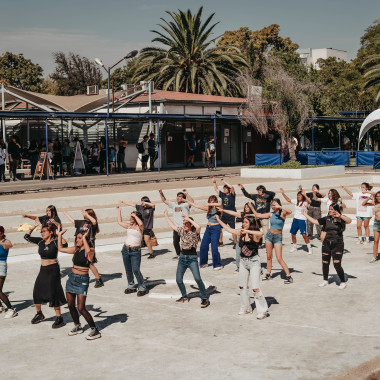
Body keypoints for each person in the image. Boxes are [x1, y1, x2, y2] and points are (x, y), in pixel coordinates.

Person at [215, 214, 269, 319]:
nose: (243, 224)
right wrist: (218, 219)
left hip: (254, 262)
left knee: (255, 287)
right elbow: (228, 229)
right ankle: (246, 308)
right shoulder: (241, 232)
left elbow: (261, 233)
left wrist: (247, 231)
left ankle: (263, 311)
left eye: (245, 222)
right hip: (243, 262)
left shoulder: (254, 234)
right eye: (243, 222)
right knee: (242, 286)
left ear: (251, 224)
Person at [57, 228, 101, 340]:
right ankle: (77, 326)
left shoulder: (90, 250)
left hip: (82, 280)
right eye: (77, 238)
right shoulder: (75, 250)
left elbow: (88, 253)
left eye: (80, 238)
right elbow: (60, 248)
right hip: (71, 278)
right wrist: (59, 235)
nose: (77, 240)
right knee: (71, 305)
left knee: (81, 308)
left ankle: (94, 329)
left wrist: (85, 238)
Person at [24, 221, 67, 328]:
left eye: (44, 231)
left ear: (50, 232)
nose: (42, 234)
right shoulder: (40, 242)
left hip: (53, 270)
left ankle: (59, 318)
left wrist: (58, 234)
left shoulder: (55, 242)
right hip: (43, 269)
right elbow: (26, 237)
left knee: (54, 293)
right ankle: (39, 314)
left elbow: (65, 244)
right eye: (41, 232)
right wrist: (33, 227)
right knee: (37, 292)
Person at [164, 211, 210, 308]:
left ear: (190, 225)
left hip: (192, 258)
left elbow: (198, 227)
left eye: (186, 224)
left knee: (197, 278)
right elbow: (172, 226)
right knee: (178, 279)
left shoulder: (195, 233)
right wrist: (166, 216)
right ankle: (184, 296)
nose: (184, 225)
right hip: (182, 258)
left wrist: (188, 219)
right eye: (184, 223)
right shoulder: (182, 231)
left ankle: (205, 297)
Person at [302, 204, 352, 289]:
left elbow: (349, 221)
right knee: (325, 262)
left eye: (332, 209)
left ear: (336, 210)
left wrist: (340, 216)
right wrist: (305, 214)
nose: (330, 211)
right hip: (327, 243)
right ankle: (325, 280)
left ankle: (343, 282)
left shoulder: (341, 218)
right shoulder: (326, 218)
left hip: (338, 244)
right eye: (330, 209)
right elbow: (315, 222)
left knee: (337, 263)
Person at [251, 199, 293, 283]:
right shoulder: (271, 214)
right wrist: (251, 206)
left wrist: (280, 207)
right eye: (272, 205)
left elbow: (290, 211)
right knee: (269, 256)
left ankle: (289, 276)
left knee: (279, 258)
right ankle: (268, 274)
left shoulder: (282, 214)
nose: (273, 207)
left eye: (274, 205)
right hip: (269, 236)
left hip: (278, 237)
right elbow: (257, 215)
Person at [63, 209, 103, 288]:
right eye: (84, 214)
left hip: (88, 245)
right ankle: (82, 276)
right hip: (79, 245)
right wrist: (66, 214)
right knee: (79, 260)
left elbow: (94, 221)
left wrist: (87, 215)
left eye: (86, 214)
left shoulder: (92, 224)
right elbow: (73, 222)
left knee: (89, 264)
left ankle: (99, 279)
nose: (84, 215)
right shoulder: (81, 222)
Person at [187, 196, 223, 270]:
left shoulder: (219, 209)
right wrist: (185, 199)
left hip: (216, 228)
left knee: (214, 247)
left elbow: (220, 204)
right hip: (208, 228)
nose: (211, 202)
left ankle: (217, 264)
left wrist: (209, 204)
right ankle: (203, 262)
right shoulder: (208, 209)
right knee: (203, 246)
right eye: (210, 200)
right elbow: (197, 206)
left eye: (212, 200)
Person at [117, 207, 147, 296]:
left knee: (136, 269)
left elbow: (141, 223)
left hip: (135, 251)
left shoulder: (140, 227)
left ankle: (142, 287)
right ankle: (131, 286)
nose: (130, 218)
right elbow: (119, 222)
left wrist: (135, 215)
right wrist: (119, 211)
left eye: (132, 217)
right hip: (125, 249)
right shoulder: (129, 225)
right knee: (128, 269)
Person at [219, 202, 256, 273]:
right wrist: (223, 210)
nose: (246, 208)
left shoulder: (253, 216)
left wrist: (251, 207)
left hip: (251, 237)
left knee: (252, 254)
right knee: (238, 252)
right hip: (241, 235)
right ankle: (239, 267)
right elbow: (232, 213)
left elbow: (257, 215)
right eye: (245, 207)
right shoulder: (243, 215)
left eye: (248, 207)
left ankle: (256, 268)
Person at [158, 189, 194, 259]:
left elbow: (192, 202)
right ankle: (179, 254)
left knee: (185, 242)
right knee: (175, 242)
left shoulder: (185, 205)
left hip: (184, 227)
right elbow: (164, 200)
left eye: (180, 196)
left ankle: (188, 254)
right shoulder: (174, 205)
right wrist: (161, 193)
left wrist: (187, 194)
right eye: (177, 196)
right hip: (176, 228)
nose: (178, 197)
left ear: (183, 198)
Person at [280, 188, 313, 254]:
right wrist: (283, 193)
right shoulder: (296, 201)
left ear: (302, 196)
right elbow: (288, 200)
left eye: (300, 195)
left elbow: (310, 201)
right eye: (298, 195)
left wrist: (304, 194)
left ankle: (309, 247)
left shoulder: (305, 202)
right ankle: (294, 247)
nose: (298, 197)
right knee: (293, 234)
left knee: (304, 235)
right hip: (295, 219)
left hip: (302, 220)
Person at [211, 176, 237, 247]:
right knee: (220, 228)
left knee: (232, 229)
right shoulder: (222, 195)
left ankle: (235, 243)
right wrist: (214, 182)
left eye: (225, 189)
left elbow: (232, 187)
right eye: (224, 189)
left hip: (231, 214)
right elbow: (216, 189)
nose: (224, 190)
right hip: (224, 214)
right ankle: (220, 241)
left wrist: (224, 182)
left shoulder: (232, 195)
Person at [0, 226, 17, 318]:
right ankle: (0, 307)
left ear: (1, 233)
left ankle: (11, 309)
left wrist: (4, 245)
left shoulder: (5, 241)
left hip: (1, 266)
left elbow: (10, 245)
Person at [363, 192, 380, 262]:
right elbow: (363, 204)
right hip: (377, 222)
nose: (378, 198)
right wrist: (368, 199)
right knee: (376, 241)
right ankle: (374, 256)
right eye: (377, 196)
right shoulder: (374, 203)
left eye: (379, 196)